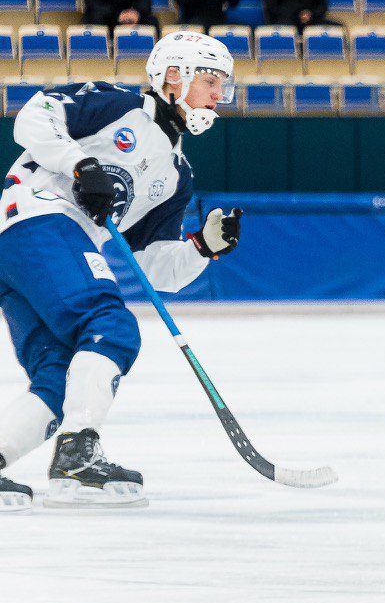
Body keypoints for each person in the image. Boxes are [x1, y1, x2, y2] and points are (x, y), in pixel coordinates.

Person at [0, 32, 242, 512]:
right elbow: (33, 117)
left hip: (34, 246)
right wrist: (81, 164)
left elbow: (154, 266)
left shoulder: (177, 174)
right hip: (36, 216)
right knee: (109, 324)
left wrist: (202, 248)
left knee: (56, 378)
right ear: (174, 75)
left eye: (223, 85)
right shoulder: (120, 106)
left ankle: (53, 449)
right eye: (211, 79)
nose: (218, 94)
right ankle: (78, 454)